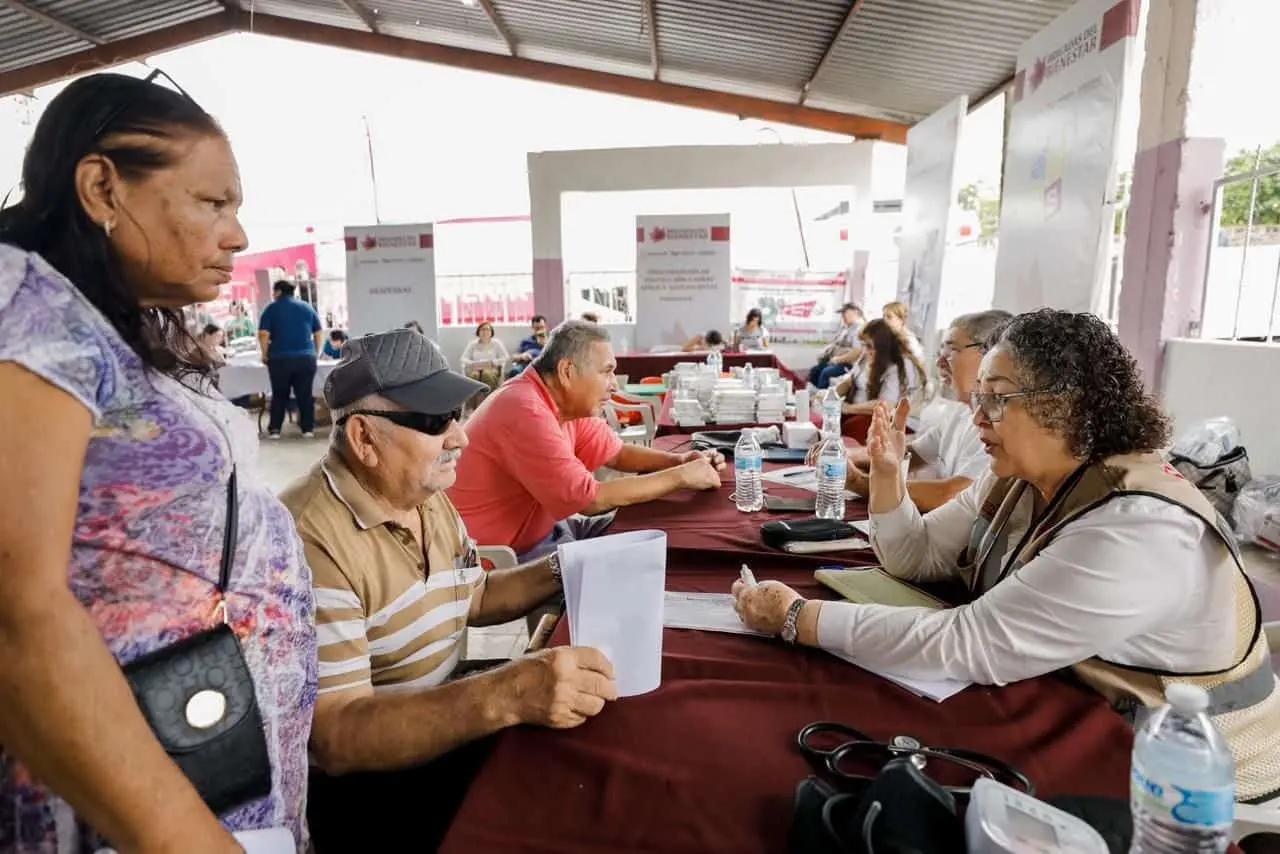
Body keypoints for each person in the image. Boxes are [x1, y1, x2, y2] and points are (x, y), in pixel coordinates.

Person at [732, 309, 1280, 803]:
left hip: (1181, 766)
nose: (978, 417)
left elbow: (972, 642)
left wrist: (798, 618)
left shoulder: (1138, 525)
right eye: (980, 398)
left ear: (1062, 407)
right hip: (1069, 700)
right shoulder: (1022, 480)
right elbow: (913, 557)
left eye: (997, 398)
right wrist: (887, 475)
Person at [0, 71, 315, 853]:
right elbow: (16, 617)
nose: (238, 236)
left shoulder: (122, 323)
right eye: (214, 203)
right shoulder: (24, 302)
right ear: (103, 188)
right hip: (122, 804)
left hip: (199, 751)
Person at [280, 329, 617, 852]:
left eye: (457, 416)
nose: (460, 437)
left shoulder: (420, 491)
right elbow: (338, 736)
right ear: (364, 439)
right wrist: (505, 692)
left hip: (436, 734)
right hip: (371, 794)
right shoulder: (308, 540)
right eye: (436, 421)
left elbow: (473, 595)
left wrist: (567, 566)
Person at [451, 320, 725, 561]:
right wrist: (680, 477)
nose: (614, 384)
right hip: (507, 554)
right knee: (641, 569)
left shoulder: (567, 403)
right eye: (606, 371)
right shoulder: (525, 408)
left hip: (551, 529)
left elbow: (616, 454)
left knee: (660, 535)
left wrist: (679, 461)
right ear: (567, 371)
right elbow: (589, 501)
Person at [837, 310, 1009, 511]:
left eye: (951, 351)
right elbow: (912, 453)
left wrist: (859, 481)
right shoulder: (959, 414)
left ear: (989, 355)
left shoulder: (1000, 429)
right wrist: (846, 456)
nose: (939, 363)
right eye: (940, 353)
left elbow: (949, 495)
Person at [259, 279, 323, 438]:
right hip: (306, 358)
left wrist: (264, 353)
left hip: (280, 359)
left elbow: (263, 334)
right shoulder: (307, 307)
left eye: (274, 292)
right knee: (305, 394)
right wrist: (316, 351)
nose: (273, 295)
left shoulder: (271, 309)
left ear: (279, 292)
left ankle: (275, 430)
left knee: (280, 394)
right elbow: (318, 332)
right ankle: (308, 429)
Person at [834, 318, 926, 415]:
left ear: (883, 347)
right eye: (863, 345)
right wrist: (831, 395)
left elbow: (885, 406)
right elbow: (850, 381)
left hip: (880, 419)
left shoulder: (901, 365)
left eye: (869, 346)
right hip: (856, 412)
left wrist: (847, 408)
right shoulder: (866, 356)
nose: (865, 351)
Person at [808, 303, 864, 389]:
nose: (843, 315)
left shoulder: (859, 329)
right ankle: (813, 397)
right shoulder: (845, 328)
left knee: (826, 372)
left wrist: (838, 360)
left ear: (856, 312)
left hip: (848, 364)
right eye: (842, 313)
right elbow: (835, 343)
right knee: (814, 371)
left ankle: (822, 399)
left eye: (845, 312)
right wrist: (825, 351)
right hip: (836, 361)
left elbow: (857, 352)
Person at [460, 321, 510, 391]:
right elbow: (463, 358)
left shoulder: (496, 343)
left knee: (487, 374)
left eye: (487, 329)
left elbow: (506, 357)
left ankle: (488, 399)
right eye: (482, 329)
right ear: (478, 332)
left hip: (492, 368)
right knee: (474, 376)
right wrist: (472, 363)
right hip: (476, 368)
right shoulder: (473, 344)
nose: (485, 332)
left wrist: (494, 362)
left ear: (491, 332)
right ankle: (473, 400)